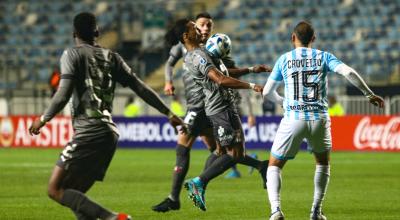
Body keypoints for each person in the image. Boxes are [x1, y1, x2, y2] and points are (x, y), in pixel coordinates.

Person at [28, 12, 186, 220]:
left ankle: (114, 218)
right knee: (77, 197)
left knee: (55, 189)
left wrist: (42, 119)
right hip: (109, 134)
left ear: (74, 33)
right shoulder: (113, 57)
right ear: (97, 32)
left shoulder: (71, 55)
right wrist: (168, 113)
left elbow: (63, 93)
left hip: (88, 132)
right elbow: (141, 88)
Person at [262, 21, 385, 220]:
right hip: (319, 119)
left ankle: (276, 210)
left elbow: (267, 92)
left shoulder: (284, 59)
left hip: (294, 118)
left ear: (293, 38)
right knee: (322, 163)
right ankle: (316, 211)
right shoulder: (323, 56)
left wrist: (283, 102)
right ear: (313, 39)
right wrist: (369, 94)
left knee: (274, 164)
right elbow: (349, 72)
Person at [152, 13, 269, 213]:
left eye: (207, 26)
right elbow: (220, 78)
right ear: (187, 35)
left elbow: (224, 72)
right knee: (221, 151)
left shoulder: (207, 51)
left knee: (219, 151)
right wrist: (251, 85)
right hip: (206, 107)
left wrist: (250, 70)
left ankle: (188, 190)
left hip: (208, 107)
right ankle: (195, 185)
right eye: (198, 27)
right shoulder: (196, 54)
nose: (202, 29)